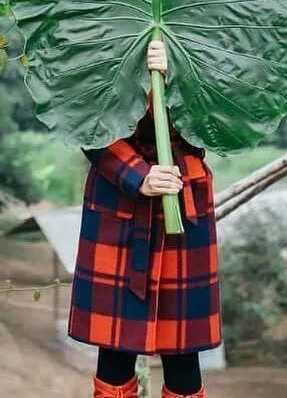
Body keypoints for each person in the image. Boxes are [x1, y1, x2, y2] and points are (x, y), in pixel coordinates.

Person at [68, 39, 221, 398]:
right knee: (115, 348)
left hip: (181, 198)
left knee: (184, 354)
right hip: (119, 201)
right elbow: (86, 123)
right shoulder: (102, 28)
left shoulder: (199, 30)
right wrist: (138, 175)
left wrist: (180, 72)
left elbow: (218, 122)